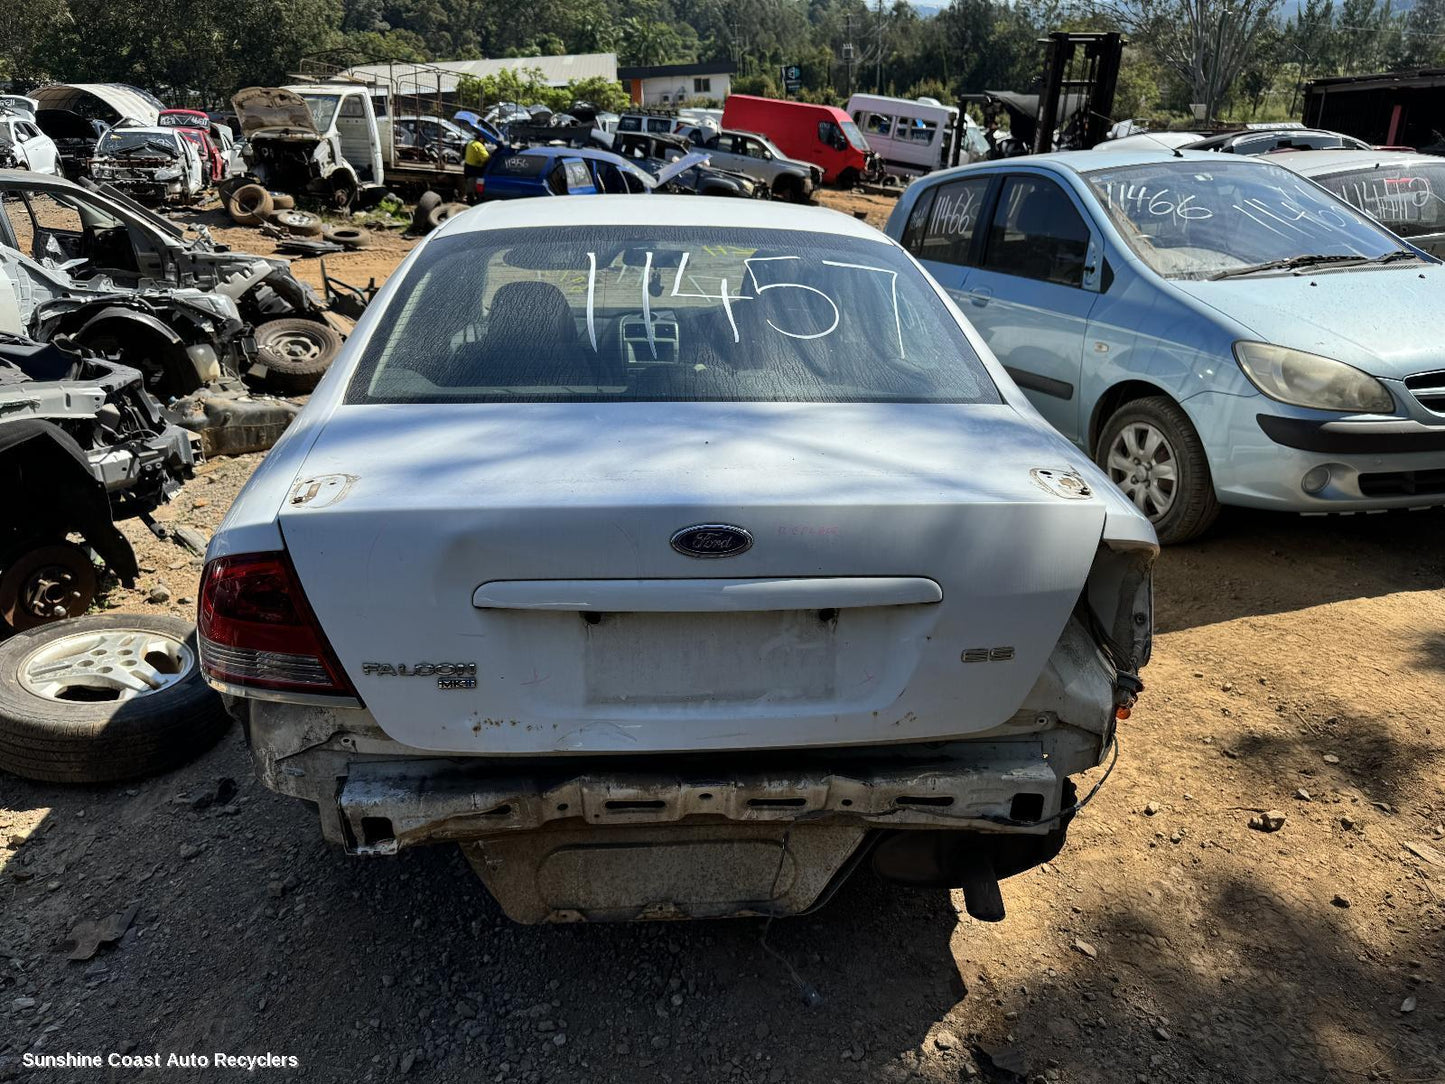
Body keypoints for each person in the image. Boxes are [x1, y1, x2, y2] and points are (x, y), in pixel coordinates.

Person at [463, 133, 491, 201]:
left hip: (467, 166)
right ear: (481, 139)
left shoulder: (470, 143)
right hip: (476, 168)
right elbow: (485, 158)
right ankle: (478, 197)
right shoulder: (479, 145)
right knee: (479, 182)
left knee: (470, 183)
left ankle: (470, 197)